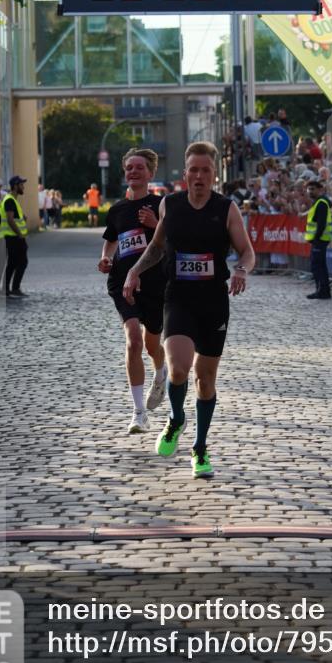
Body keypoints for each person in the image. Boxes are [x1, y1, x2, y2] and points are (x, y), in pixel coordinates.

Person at [123, 141, 255, 480]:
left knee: (205, 380)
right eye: (193, 170)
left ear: (214, 174)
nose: (199, 176)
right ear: (185, 174)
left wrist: (241, 270)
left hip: (213, 302)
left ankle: (199, 448)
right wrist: (135, 271)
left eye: (205, 170)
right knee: (178, 369)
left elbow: (247, 252)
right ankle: (176, 419)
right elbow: (156, 248)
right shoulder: (171, 205)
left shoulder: (227, 209)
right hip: (178, 297)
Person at [98, 148, 168, 434]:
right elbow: (111, 242)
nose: (133, 172)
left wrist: (156, 224)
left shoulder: (163, 204)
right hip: (122, 282)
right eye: (129, 167)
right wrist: (105, 258)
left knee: (152, 345)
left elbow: (172, 239)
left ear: (150, 173)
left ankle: (161, 373)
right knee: (133, 342)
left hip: (155, 283)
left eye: (139, 167)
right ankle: (139, 412)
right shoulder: (117, 210)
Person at [304, 179, 332, 300]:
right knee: (318, 265)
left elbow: (321, 224)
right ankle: (321, 290)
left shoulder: (321, 203)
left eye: (313, 189)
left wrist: (315, 239)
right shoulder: (317, 202)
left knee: (318, 266)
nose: (310, 191)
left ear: (320, 190)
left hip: (320, 239)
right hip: (319, 239)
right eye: (309, 189)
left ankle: (323, 291)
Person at [1, 175, 29, 297]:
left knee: (13, 263)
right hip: (13, 237)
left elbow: (14, 218)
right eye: (21, 185)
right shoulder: (9, 200)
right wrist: (19, 234)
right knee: (21, 262)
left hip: (14, 236)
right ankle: (13, 288)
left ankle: (8, 289)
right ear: (15, 186)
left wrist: (22, 217)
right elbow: (10, 220)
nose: (23, 187)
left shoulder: (12, 199)